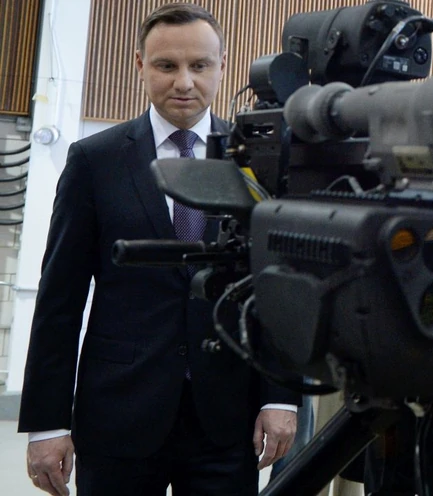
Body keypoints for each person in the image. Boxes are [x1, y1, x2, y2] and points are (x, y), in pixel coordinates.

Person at [18, 4, 299, 495]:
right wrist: (47, 423)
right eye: (167, 65)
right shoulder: (95, 160)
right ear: (140, 65)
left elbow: (279, 288)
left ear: (222, 65)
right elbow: (59, 299)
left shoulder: (258, 161)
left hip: (227, 418)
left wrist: (281, 397)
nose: (184, 82)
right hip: (119, 414)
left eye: (200, 65)